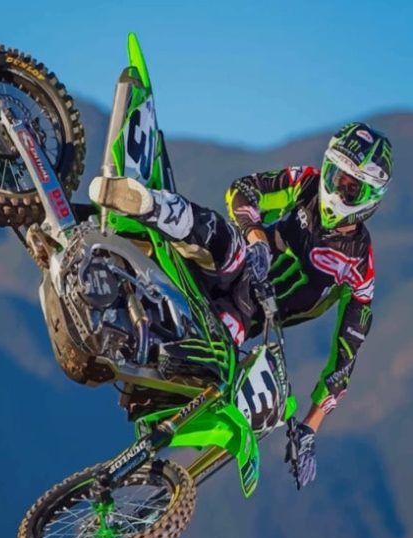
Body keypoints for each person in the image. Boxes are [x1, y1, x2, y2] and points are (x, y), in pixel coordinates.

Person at [89, 122, 393, 488]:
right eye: (335, 175)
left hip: (244, 316)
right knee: (226, 243)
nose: (336, 189)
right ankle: (144, 203)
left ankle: (146, 439)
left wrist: (310, 429)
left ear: (370, 197)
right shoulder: (306, 183)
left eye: (350, 186)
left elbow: (345, 359)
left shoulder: (360, 267)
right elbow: (244, 189)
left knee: (211, 368)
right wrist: (256, 234)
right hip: (238, 265)